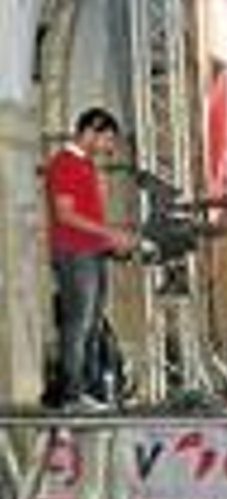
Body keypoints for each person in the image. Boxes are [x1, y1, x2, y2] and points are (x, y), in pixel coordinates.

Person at [44, 107, 140, 411]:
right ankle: (72, 394)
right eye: (107, 139)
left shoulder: (85, 165)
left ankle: (87, 388)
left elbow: (86, 218)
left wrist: (110, 242)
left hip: (91, 252)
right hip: (74, 253)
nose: (110, 147)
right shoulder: (64, 163)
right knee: (79, 322)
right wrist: (110, 233)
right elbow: (65, 214)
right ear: (90, 131)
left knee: (93, 323)